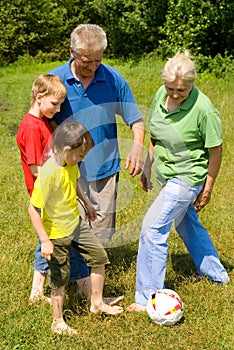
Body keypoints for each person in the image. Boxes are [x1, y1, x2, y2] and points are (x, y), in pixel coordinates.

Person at [128, 51, 230, 312]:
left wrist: (207, 187)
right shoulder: (161, 96)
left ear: (192, 84)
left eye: (181, 91)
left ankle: (148, 298)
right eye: (170, 88)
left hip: (188, 177)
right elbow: (156, 137)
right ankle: (216, 275)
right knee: (187, 226)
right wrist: (148, 168)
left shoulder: (205, 110)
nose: (174, 94)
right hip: (167, 174)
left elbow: (215, 150)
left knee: (152, 229)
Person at [49, 24, 144, 298]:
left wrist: (137, 146)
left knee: (100, 233)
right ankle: (75, 286)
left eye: (98, 60)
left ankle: (89, 287)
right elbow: (40, 118)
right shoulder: (56, 79)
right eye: (86, 61)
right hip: (68, 171)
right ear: (72, 52)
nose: (92, 66)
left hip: (105, 169)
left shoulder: (113, 79)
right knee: (67, 229)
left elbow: (135, 119)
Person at [28, 121, 124, 336]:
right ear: (65, 150)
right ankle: (57, 322)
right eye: (80, 155)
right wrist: (44, 240)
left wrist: (87, 204)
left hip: (76, 224)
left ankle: (96, 303)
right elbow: (33, 210)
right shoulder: (49, 173)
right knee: (60, 278)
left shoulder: (70, 165)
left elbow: (75, 184)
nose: (82, 160)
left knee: (99, 256)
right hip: (57, 233)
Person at [16, 74, 67, 303]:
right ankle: (36, 292)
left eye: (60, 106)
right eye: (54, 104)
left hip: (49, 193)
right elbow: (37, 169)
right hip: (44, 194)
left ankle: (38, 291)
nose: (57, 110)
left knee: (46, 241)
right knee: (45, 242)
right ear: (39, 97)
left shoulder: (41, 122)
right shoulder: (31, 127)